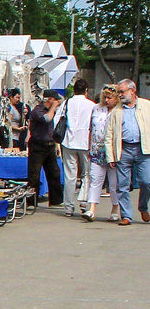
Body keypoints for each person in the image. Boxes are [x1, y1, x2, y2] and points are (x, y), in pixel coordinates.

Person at [104, 78, 150, 226]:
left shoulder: (146, 105)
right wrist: (110, 156)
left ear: (133, 90)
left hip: (143, 149)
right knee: (122, 185)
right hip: (124, 149)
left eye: (122, 91)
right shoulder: (117, 110)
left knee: (146, 181)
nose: (120, 95)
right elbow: (109, 134)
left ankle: (143, 207)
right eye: (118, 92)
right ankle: (126, 216)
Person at [83, 84, 120, 222]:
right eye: (105, 97)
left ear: (117, 98)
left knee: (114, 182)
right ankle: (91, 209)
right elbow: (90, 129)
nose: (107, 100)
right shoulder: (97, 108)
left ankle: (115, 208)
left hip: (113, 151)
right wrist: (89, 147)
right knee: (95, 179)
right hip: (97, 149)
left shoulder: (120, 110)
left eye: (110, 97)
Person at [59, 78, 95, 217]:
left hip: (69, 141)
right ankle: (84, 202)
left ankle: (68, 206)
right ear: (86, 90)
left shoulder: (66, 103)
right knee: (87, 174)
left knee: (70, 175)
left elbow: (58, 120)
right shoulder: (92, 105)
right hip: (86, 142)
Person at [26, 90, 64, 209]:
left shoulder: (53, 111)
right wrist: (52, 108)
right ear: (49, 100)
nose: (57, 102)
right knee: (34, 175)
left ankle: (56, 200)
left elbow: (62, 101)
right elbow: (46, 119)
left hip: (49, 145)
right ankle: (31, 202)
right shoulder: (38, 110)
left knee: (54, 172)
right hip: (38, 146)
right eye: (55, 100)